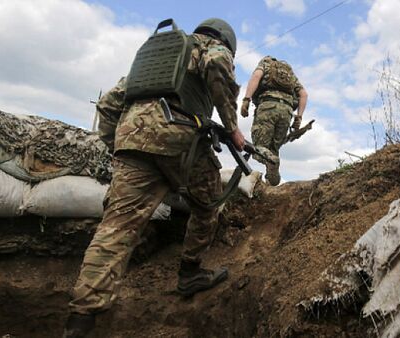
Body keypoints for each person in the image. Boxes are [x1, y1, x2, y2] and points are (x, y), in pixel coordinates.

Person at [63, 18, 245, 338]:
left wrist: (119, 148)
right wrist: (232, 128)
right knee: (208, 204)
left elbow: (107, 105)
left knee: (115, 230)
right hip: (179, 139)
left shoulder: (154, 58)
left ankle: (80, 320)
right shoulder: (211, 48)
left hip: (131, 143)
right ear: (227, 41)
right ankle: (190, 273)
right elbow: (217, 63)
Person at [240, 56, 308, 186]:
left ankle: (272, 161)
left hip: (268, 106)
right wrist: (298, 117)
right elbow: (304, 94)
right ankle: (271, 184)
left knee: (259, 147)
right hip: (287, 112)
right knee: (274, 149)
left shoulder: (265, 64)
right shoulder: (290, 74)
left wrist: (246, 99)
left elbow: (256, 77)